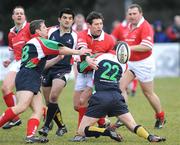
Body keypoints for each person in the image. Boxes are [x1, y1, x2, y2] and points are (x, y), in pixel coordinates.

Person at [0, 19, 91, 143]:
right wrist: (79, 52)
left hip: (30, 76)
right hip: (28, 76)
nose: (47, 29)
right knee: (21, 107)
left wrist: (58, 59)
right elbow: (62, 48)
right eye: (44, 28)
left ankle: (30, 136)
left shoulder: (32, 43)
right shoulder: (40, 41)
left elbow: (44, 65)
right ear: (38, 31)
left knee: (39, 110)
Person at [71, 42, 166, 143]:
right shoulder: (124, 64)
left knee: (82, 131)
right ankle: (149, 136)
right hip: (117, 98)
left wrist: (84, 62)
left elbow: (80, 69)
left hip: (100, 97)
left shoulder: (99, 56)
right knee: (132, 125)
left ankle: (107, 132)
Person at [112, 4, 166, 129]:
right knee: (120, 87)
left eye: (134, 14)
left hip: (144, 63)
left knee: (148, 93)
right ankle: (123, 115)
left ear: (140, 14)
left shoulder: (145, 26)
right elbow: (117, 40)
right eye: (130, 14)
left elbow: (147, 46)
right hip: (130, 63)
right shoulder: (128, 25)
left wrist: (128, 48)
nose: (132, 16)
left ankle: (160, 116)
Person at [38, 8, 78, 137]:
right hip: (48, 68)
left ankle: (46, 126)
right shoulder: (50, 31)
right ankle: (62, 126)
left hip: (63, 69)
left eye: (70, 18)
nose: (67, 20)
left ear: (73, 21)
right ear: (59, 19)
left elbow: (78, 51)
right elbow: (41, 44)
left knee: (54, 96)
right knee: (49, 102)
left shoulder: (75, 36)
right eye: (65, 18)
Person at [73, 11, 115, 130]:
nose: (99, 27)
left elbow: (112, 58)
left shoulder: (109, 39)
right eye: (96, 24)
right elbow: (82, 48)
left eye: (100, 24)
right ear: (89, 25)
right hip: (83, 71)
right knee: (77, 105)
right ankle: (102, 121)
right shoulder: (82, 34)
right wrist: (87, 59)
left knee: (83, 100)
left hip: (96, 74)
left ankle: (80, 133)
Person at [1, 6, 32, 129]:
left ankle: (44, 113)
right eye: (17, 13)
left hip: (29, 63)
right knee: (5, 88)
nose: (19, 15)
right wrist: (9, 60)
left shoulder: (30, 28)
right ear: (13, 17)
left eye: (21, 13)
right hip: (17, 62)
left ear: (24, 16)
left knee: (31, 96)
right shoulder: (11, 33)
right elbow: (13, 51)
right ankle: (15, 118)